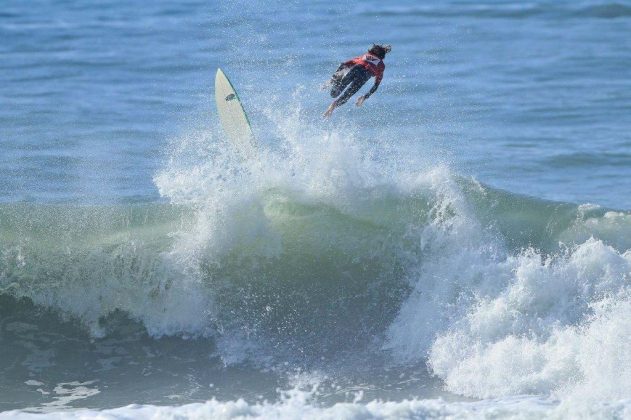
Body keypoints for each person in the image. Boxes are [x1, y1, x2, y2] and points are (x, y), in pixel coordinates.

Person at [323, 44, 391, 118]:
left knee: (334, 94)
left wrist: (333, 78)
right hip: (364, 76)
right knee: (346, 96)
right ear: (382, 56)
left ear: (371, 51)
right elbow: (376, 85)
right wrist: (365, 97)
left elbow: (343, 64)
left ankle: (336, 79)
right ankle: (333, 105)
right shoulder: (381, 65)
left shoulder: (365, 56)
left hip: (355, 69)